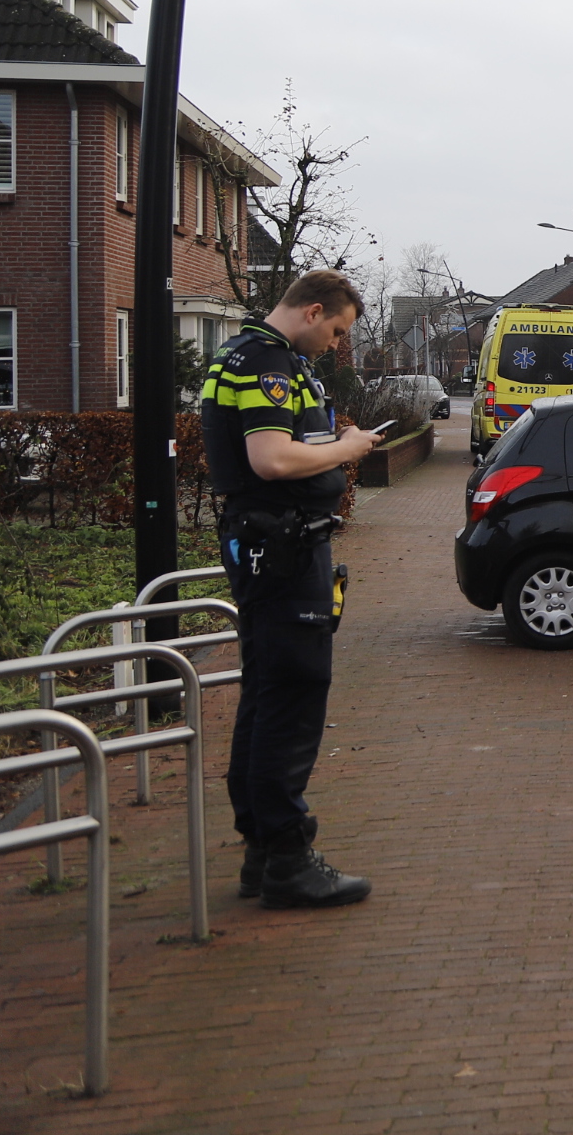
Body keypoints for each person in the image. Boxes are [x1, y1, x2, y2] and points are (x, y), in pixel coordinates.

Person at [200, 269, 382, 910]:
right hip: (279, 550)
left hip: (269, 544)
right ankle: (285, 854)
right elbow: (272, 459)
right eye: (336, 331)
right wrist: (347, 449)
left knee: (268, 687)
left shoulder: (248, 355)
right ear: (311, 311)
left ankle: (261, 845)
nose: (336, 344)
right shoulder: (265, 364)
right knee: (293, 691)